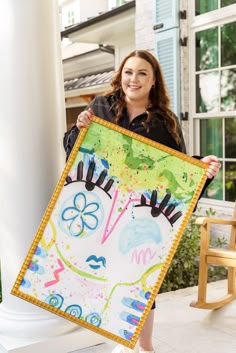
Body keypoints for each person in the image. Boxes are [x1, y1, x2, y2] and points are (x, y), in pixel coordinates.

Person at [63, 50, 221, 353]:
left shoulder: (165, 121)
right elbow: (74, 154)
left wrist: (204, 169)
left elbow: (180, 169)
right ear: (120, 75)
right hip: (105, 207)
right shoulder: (101, 106)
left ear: (153, 81)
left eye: (142, 73)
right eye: (128, 72)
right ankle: (123, 341)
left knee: (141, 283)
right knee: (107, 277)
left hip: (143, 215)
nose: (133, 79)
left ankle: (145, 347)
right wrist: (79, 129)